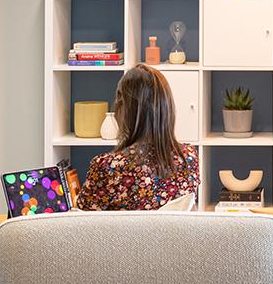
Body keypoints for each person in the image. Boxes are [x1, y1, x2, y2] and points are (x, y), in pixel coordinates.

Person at [76, 65, 200, 211]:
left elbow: (81, 223)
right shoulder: (189, 158)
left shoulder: (107, 167)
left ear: (123, 108)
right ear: (166, 107)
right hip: (171, 235)